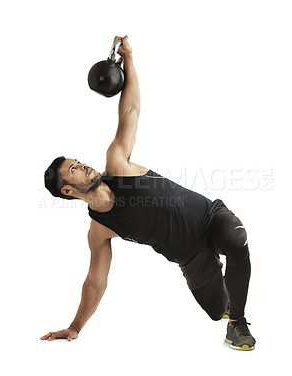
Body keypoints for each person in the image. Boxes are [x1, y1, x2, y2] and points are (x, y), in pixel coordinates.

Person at [41, 35, 256, 351]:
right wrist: (75, 327)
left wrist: (129, 59)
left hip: (210, 217)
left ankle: (237, 324)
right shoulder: (99, 231)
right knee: (215, 310)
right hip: (191, 256)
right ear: (68, 190)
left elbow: (131, 110)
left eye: (78, 161)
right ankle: (224, 299)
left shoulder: (117, 163)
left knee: (237, 241)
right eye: (74, 169)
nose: (83, 165)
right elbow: (96, 282)